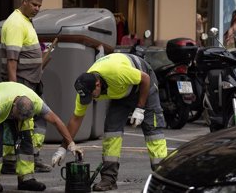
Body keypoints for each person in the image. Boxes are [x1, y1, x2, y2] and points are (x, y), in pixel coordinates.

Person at [51, 52, 168, 191]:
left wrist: (140, 108)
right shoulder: (85, 87)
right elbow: (76, 119)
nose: (91, 99)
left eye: (92, 95)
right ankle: (108, 179)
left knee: (153, 131)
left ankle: (164, 178)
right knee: (112, 131)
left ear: (98, 84)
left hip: (143, 83)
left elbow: (145, 79)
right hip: (122, 90)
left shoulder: (117, 72)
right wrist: (63, 148)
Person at [0, 82, 83, 192]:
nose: (18, 121)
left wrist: (71, 144)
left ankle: (26, 179)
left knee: (25, 139)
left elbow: (56, 121)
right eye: (17, 117)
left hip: (17, 108)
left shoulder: (36, 102)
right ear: (14, 107)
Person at [0, 0, 52, 173]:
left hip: (31, 81)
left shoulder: (25, 21)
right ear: (25, 1)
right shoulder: (15, 23)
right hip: (22, 82)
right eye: (34, 4)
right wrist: (15, 92)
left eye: (39, 6)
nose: (37, 8)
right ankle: (21, 160)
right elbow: (12, 61)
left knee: (30, 121)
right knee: (26, 121)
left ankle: (23, 158)